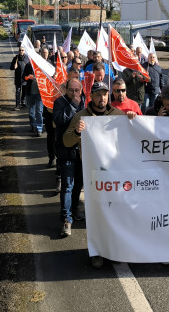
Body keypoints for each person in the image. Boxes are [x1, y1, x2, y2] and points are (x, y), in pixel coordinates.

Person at [63, 82, 127, 266]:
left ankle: (114, 250)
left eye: (105, 94)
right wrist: (76, 131)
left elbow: (133, 133)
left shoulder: (118, 115)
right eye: (98, 95)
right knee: (96, 214)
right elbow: (66, 141)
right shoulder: (81, 116)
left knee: (115, 213)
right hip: (92, 174)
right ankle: (97, 251)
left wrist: (131, 118)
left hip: (114, 174)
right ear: (91, 96)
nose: (102, 98)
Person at [53, 79, 84, 236]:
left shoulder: (84, 102)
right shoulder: (59, 102)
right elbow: (59, 120)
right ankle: (67, 218)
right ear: (66, 89)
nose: (74, 93)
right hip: (65, 151)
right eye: (71, 90)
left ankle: (74, 208)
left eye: (77, 90)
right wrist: (72, 106)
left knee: (78, 184)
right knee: (67, 186)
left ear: (81, 90)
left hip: (81, 152)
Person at [22, 59, 44, 136]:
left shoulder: (42, 66)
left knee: (39, 111)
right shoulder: (28, 66)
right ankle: (33, 125)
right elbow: (23, 77)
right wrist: (28, 77)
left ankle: (39, 128)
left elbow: (46, 78)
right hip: (30, 92)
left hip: (40, 93)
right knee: (31, 112)